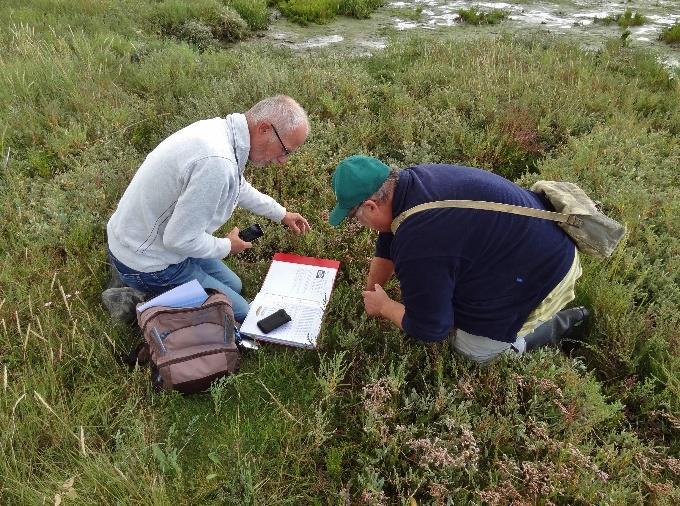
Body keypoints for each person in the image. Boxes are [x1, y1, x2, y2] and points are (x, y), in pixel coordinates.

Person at [327, 155, 589, 363]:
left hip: (548, 273)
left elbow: (430, 328)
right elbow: (389, 235)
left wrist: (384, 306)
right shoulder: (410, 183)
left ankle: (551, 327)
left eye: (355, 218)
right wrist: (372, 289)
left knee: (471, 351)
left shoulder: (419, 242)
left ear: (371, 206)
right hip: (540, 239)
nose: (360, 224)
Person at [105, 95, 311, 323]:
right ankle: (139, 297)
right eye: (285, 151)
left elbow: (238, 186)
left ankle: (161, 290)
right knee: (242, 313)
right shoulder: (216, 162)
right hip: (149, 263)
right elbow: (178, 240)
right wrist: (226, 246)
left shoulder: (220, 133)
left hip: (147, 242)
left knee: (235, 285)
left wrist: (281, 214)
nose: (283, 160)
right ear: (264, 129)